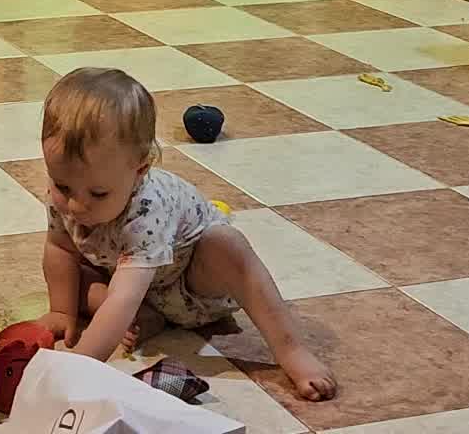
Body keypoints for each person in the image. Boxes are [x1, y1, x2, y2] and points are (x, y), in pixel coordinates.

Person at [36, 67, 338, 401]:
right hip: (130, 282)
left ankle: (291, 350)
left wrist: (79, 366)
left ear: (140, 170)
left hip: (191, 286)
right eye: (63, 186)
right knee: (73, 276)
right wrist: (62, 311)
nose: (76, 206)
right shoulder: (68, 196)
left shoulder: (146, 209)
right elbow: (59, 249)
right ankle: (148, 318)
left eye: (98, 193)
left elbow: (123, 298)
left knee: (226, 244)